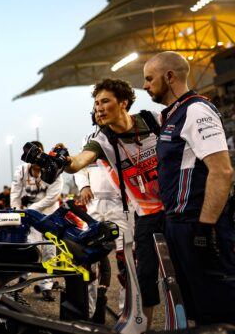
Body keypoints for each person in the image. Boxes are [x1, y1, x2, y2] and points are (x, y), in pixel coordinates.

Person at [59, 78, 163, 327]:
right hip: (104, 208)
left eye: (105, 102)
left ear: (123, 103)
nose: (99, 108)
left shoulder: (153, 120)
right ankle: (100, 314)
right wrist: (69, 166)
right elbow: (78, 163)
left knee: (138, 267)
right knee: (99, 263)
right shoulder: (97, 138)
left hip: (133, 205)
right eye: (96, 104)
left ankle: (130, 313)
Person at [144, 51, 235, 325]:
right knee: (196, 309)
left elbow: (222, 171)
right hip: (178, 224)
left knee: (220, 310)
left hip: (198, 224)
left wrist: (205, 228)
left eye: (149, 79)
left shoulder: (196, 110)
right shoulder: (172, 115)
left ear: (170, 76)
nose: (146, 85)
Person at [74, 114, 133, 320]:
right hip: (94, 205)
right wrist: (84, 185)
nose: (100, 112)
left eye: (104, 106)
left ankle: (128, 314)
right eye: (96, 108)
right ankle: (88, 313)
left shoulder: (128, 135)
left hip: (122, 205)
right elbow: (79, 168)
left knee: (126, 263)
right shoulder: (88, 139)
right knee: (88, 261)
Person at [10, 141, 63, 302]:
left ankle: (46, 286)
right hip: (30, 214)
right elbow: (15, 192)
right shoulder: (21, 171)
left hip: (49, 213)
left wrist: (31, 209)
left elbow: (52, 197)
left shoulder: (54, 168)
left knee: (49, 250)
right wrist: (15, 211)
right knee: (31, 246)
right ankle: (23, 280)